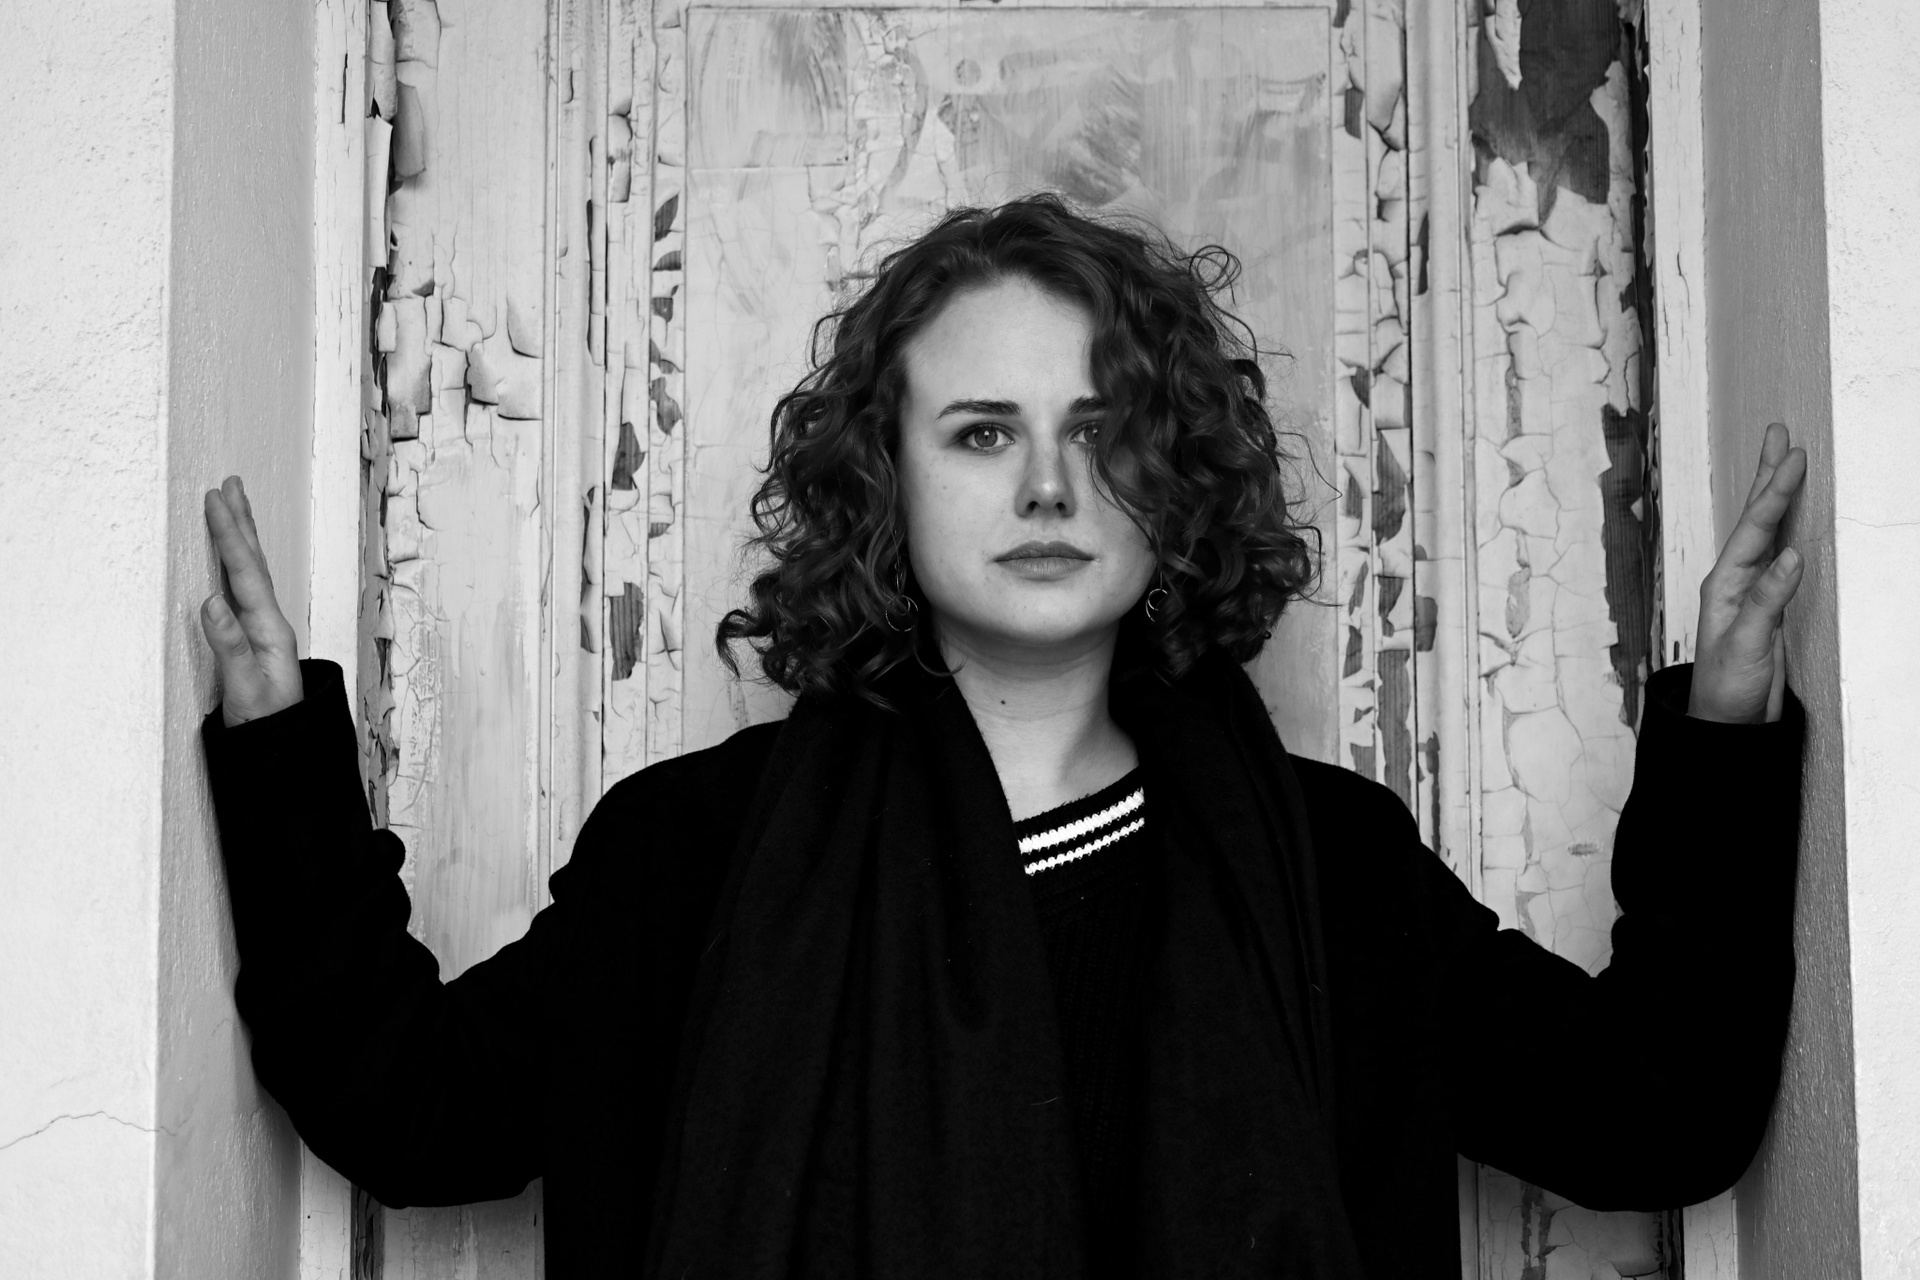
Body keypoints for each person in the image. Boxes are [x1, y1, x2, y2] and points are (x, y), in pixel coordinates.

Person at [199, 197, 1807, 1279]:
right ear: (882, 478)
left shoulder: (1332, 872)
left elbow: (1659, 1111)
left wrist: (1728, 730)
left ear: (1173, 483)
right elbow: (416, 1108)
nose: (1046, 486)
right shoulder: (696, 856)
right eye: (981, 432)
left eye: (1102, 433)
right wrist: (278, 753)